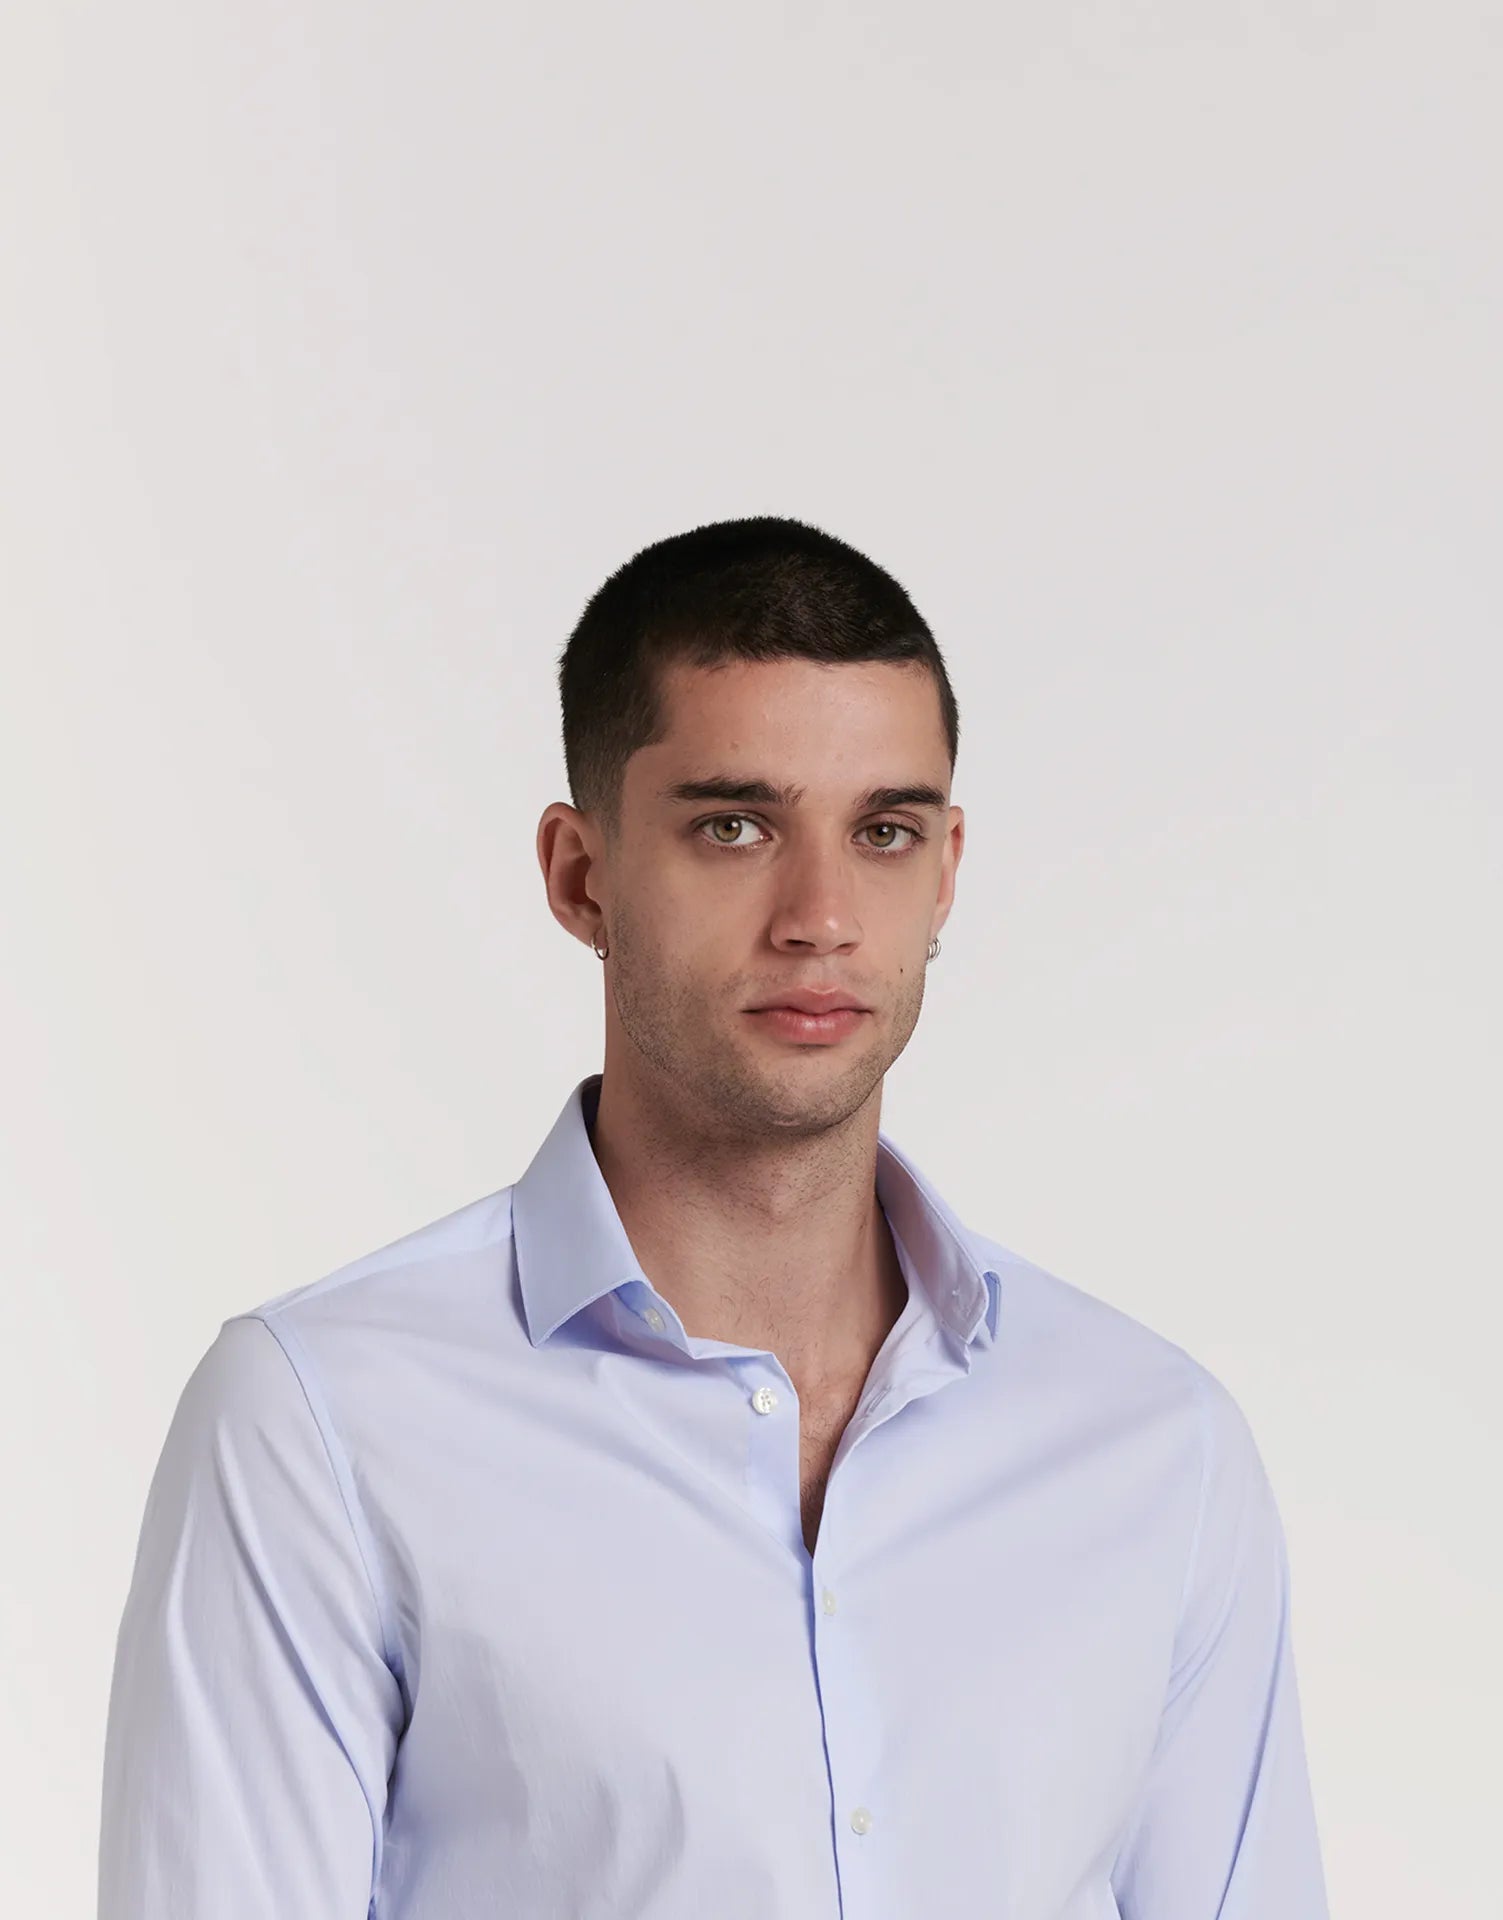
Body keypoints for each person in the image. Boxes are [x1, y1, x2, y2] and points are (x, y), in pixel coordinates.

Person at [98, 516, 1329, 1918]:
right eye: (734, 827)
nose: (821, 916)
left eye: (884, 831)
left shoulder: (1155, 1446)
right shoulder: (324, 1423)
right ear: (582, 875)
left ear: (946, 870)